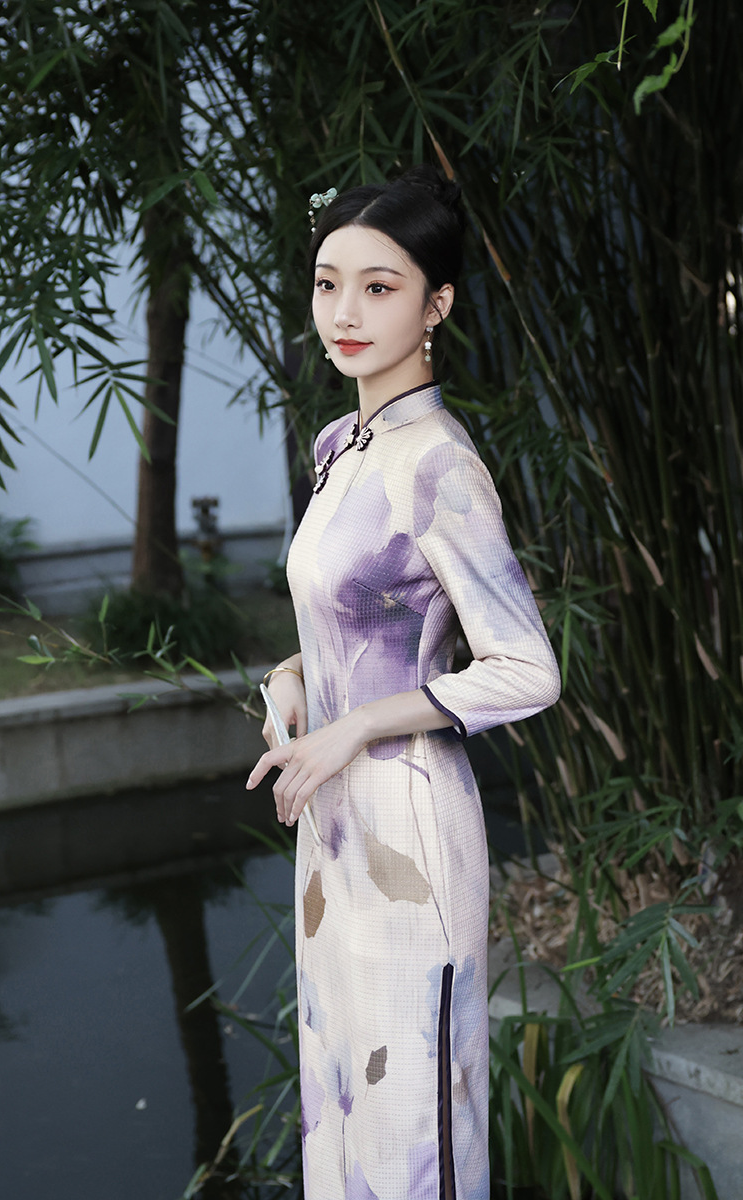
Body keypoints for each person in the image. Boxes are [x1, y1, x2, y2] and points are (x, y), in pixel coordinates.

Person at [246, 165, 560, 1200]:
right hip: (332, 829)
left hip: (408, 832)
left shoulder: (438, 465)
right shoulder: (342, 444)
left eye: (379, 287)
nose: (344, 312)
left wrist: (354, 728)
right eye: (327, 282)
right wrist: (291, 677)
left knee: (410, 1126)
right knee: (341, 1111)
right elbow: (358, 621)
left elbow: (526, 668)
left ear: (437, 305)